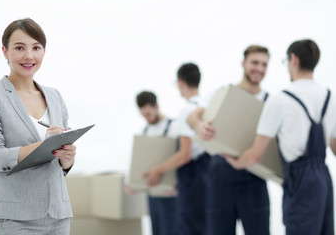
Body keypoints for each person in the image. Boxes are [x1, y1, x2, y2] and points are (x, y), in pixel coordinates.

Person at [0, 18, 75, 235]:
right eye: (19, 48)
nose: (29, 56)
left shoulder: (54, 96)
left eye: (36, 47)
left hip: (58, 213)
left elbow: (58, 164)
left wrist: (67, 159)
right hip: (16, 216)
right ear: (5, 51)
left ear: (44, 51)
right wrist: (44, 145)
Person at [223, 39, 336, 235]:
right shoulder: (330, 96)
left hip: (299, 181)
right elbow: (334, 146)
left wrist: (235, 162)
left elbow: (255, 155)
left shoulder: (280, 100)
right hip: (324, 179)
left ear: (293, 59)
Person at [187, 45, 271, 235]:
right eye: (255, 63)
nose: (259, 68)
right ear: (243, 63)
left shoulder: (270, 101)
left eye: (264, 64)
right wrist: (199, 126)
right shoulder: (223, 93)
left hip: (254, 180)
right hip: (220, 180)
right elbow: (192, 117)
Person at [144, 63, 209, 235]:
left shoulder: (187, 110)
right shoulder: (207, 104)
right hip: (210, 174)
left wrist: (157, 170)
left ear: (180, 83)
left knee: (190, 227)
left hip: (193, 177)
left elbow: (185, 154)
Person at [133, 91, 179, 235]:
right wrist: (134, 183)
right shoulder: (145, 130)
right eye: (143, 115)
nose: (147, 118)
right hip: (153, 193)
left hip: (171, 192)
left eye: (148, 114)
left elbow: (180, 157)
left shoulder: (174, 127)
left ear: (157, 106)